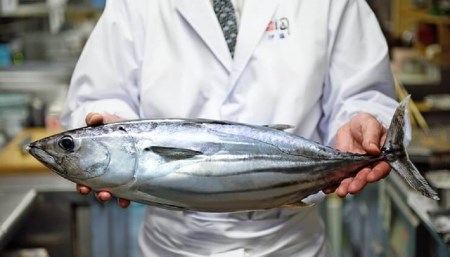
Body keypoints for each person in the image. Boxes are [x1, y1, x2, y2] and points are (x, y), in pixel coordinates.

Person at [61, 0, 399, 256]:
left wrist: (365, 120)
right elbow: (101, 96)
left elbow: (364, 93)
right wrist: (110, 131)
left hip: (290, 243)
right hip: (174, 244)